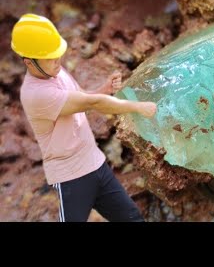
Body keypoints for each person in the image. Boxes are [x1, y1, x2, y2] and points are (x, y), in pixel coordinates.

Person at [11, 13, 157, 222]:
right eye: (50, 57)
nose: (57, 60)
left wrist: (104, 89)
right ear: (29, 62)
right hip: (71, 175)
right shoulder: (36, 94)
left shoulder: (55, 72)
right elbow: (92, 103)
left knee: (131, 218)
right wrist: (137, 107)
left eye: (57, 54)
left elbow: (82, 99)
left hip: (95, 164)